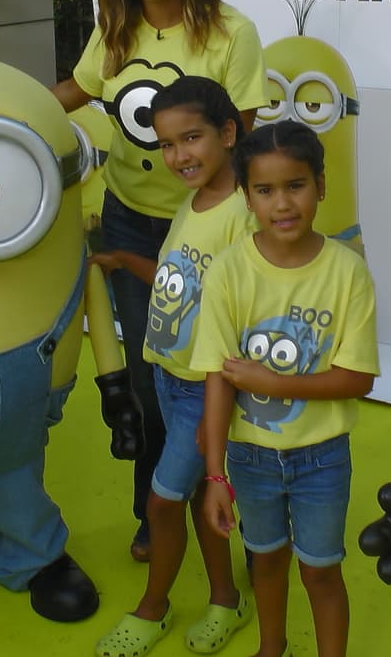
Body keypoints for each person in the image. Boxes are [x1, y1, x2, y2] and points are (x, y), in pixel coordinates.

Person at [52, 0, 267, 562]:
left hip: (208, 229)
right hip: (131, 224)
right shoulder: (114, 31)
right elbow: (77, 91)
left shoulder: (232, 31)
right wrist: (2, 105)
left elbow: (246, 139)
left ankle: (240, 502)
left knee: (221, 373)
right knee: (150, 383)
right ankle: (157, 508)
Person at [194, 121, 380, 657]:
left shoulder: (348, 272)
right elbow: (217, 376)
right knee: (266, 562)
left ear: (321, 185)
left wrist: (272, 381)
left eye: (296, 185)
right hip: (249, 458)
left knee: (321, 573)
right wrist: (214, 475)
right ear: (245, 196)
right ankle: (270, 649)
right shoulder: (229, 271)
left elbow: (358, 378)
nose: (283, 204)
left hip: (322, 459)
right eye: (265, 190)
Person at [93, 77, 256, 657]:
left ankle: (152, 607)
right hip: (169, 376)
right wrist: (121, 260)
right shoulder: (193, 201)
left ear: (229, 133)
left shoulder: (243, 213)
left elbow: (246, 311)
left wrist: (222, 395)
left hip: (203, 389)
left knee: (162, 502)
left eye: (192, 138)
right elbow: (177, 280)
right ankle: (225, 599)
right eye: (166, 144)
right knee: (190, 498)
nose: (179, 156)